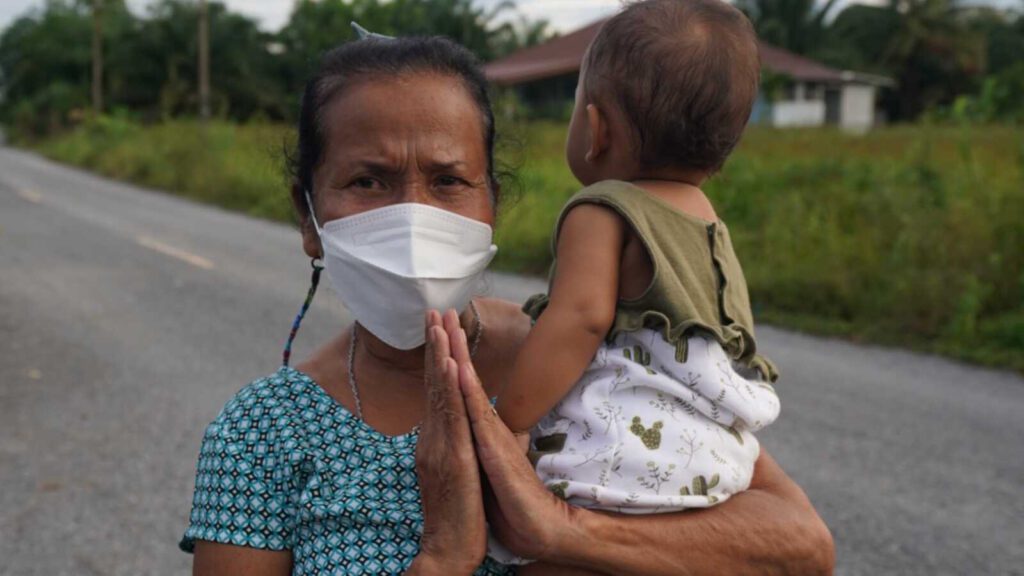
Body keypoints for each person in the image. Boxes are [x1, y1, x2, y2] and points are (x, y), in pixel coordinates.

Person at [179, 30, 835, 576]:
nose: (412, 216)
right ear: (308, 216)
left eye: (447, 181)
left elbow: (801, 544)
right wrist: (440, 557)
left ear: (492, 203)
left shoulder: (595, 361)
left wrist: (560, 530)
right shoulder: (260, 435)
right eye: (367, 180)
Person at [490, 1, 781, 570]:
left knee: (538, 548)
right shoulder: (706, 220)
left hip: (617, 460)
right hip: (712, 465)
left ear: (596, 129)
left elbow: (581, 318)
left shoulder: (602, 209)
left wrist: (510, 420)